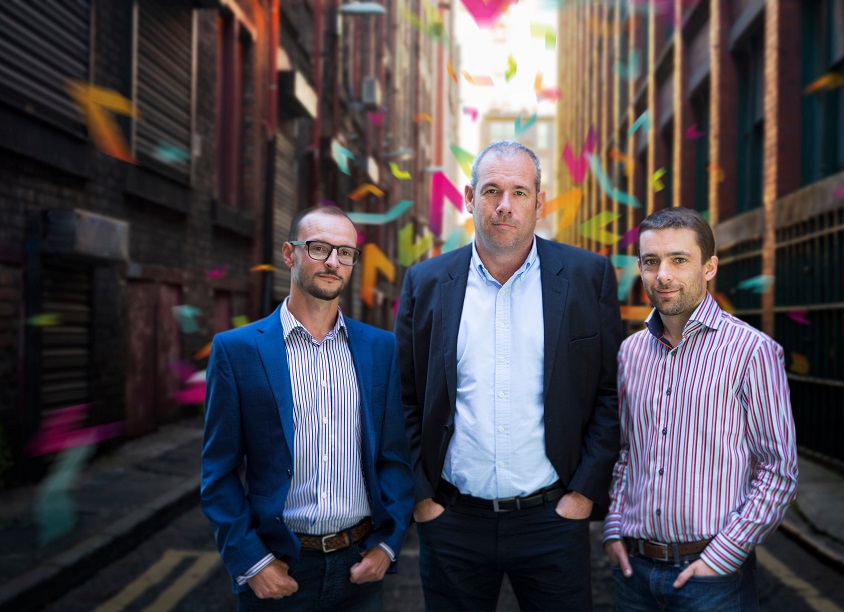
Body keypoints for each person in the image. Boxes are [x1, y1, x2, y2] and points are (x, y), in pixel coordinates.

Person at [394, 141, 622, 611]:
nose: (504, 205)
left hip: (552, 519)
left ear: (540, 202)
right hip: (453, 520)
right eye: (491, 190)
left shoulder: (587, 277)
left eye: (519, 192)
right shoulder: (426, 282)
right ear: (468, 197)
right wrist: (423, 500)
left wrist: (582, 495)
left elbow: (610, 393)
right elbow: (403, 398)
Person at [201, 205, 414, 610]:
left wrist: (388, 545)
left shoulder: (380, 348)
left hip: (360, 571)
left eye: (345, 252)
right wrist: (252, 562)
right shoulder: (237, 350)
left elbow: (394, 459)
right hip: (280, 569)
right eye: (319, 248)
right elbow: (219, 473)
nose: (333, 262)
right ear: (289, 253)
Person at [603, 207, 798, 611]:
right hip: (632, 574)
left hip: (713, 580)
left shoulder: (753, 352)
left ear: (709, 267)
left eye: (679, 260)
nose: (664, 276)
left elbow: (778, 470)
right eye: (651, 261)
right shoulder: (629, 353)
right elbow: (625, 452)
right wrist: (613, 530)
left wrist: (721, 559)